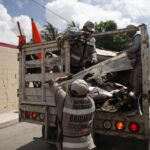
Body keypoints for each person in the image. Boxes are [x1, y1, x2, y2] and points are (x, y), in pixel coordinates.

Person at [48, 77, 96, 150]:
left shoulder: (64, 100)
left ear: (71, 91)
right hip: (87, 145)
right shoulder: (91, 102)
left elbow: (51, 81)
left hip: (67, 147)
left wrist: (63, 78)